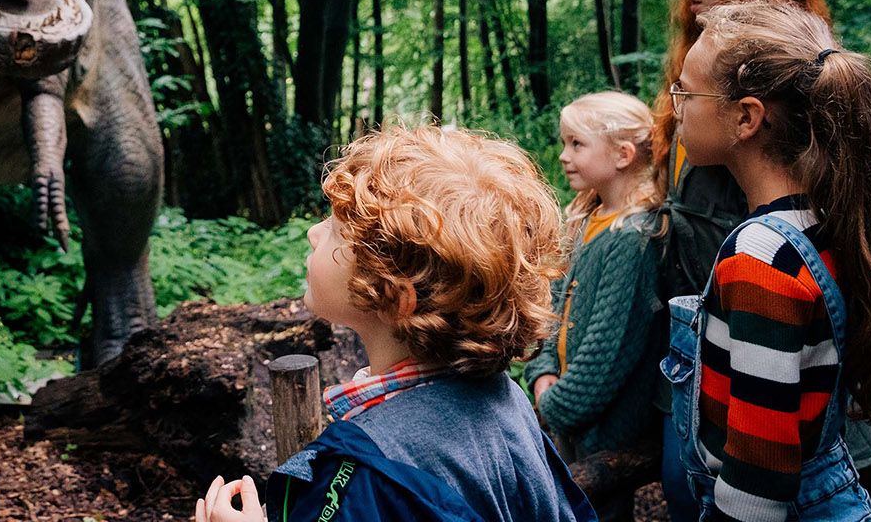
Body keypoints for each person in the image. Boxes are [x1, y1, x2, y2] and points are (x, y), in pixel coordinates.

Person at [195, 126, 597, 522]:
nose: (313, 233)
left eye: (336, 231)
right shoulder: (506, 401)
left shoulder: (365, 478)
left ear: (396, 296)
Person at [650, 0, 871, 521]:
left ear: (747, 117)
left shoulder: (762, 255)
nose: (674, 104)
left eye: (687, 91)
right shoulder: (824, 217)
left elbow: (758, 483)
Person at [526, 91, 663, 521]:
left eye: (576, 144)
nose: (564, 156)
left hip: (602, 428)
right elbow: (556, 306)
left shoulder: (633, 237)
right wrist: (542, 369)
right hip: (568, 411)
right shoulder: (588, 218)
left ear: (623, 154)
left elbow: (607, 352)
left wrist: (553, 405)